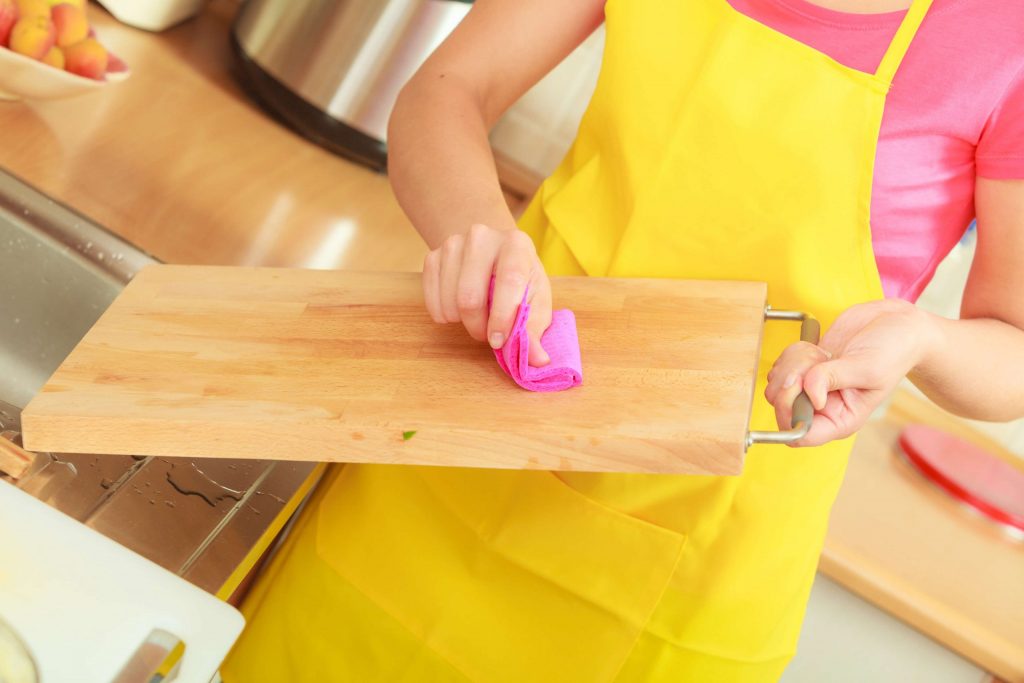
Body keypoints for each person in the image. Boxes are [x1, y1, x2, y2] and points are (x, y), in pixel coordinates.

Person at [222, 0, 1024, 680]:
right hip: (455, 453)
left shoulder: (1002, 41)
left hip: (698, 554)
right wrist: (477, 235)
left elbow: (1012, 346)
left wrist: (921, 337)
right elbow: (445, 90)